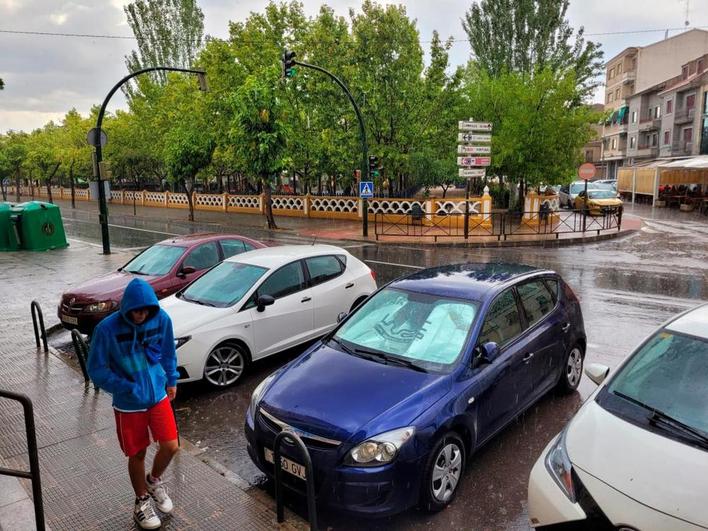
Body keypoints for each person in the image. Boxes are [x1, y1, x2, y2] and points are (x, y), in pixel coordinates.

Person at [87, 278, 180, 530]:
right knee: (137, 453)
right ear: (126, 307)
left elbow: (168, 352)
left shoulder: (162, 320)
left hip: (158, 396)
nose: (140, 315)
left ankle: (154, 480)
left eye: (145, 310)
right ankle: (141, 502)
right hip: (129, 404)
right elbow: (96, 368)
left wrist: (171, 378)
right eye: (135, 310)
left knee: (171, 446)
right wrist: (125, 387)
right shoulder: (107, 329)